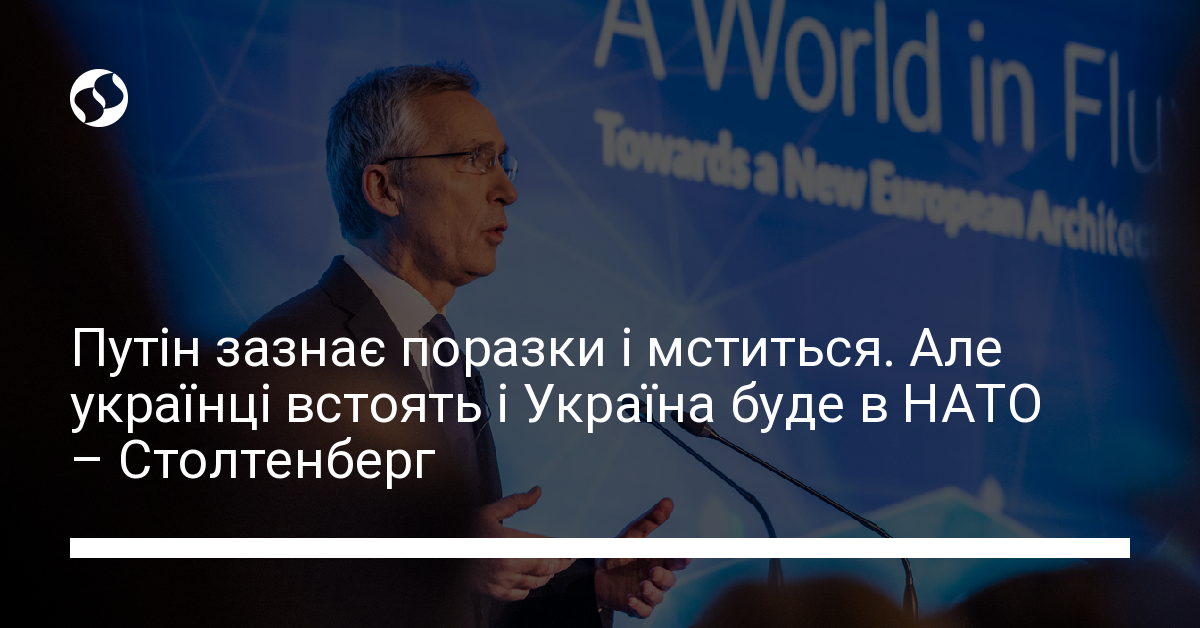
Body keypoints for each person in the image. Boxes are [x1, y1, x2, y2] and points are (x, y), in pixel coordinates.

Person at [241, 63, 687, 627]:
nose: (507, 190)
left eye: (502, 162)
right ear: (384, 189)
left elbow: (469, 601)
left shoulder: (448, 359)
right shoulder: (291, 349)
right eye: (475, 160)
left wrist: (592, 588)